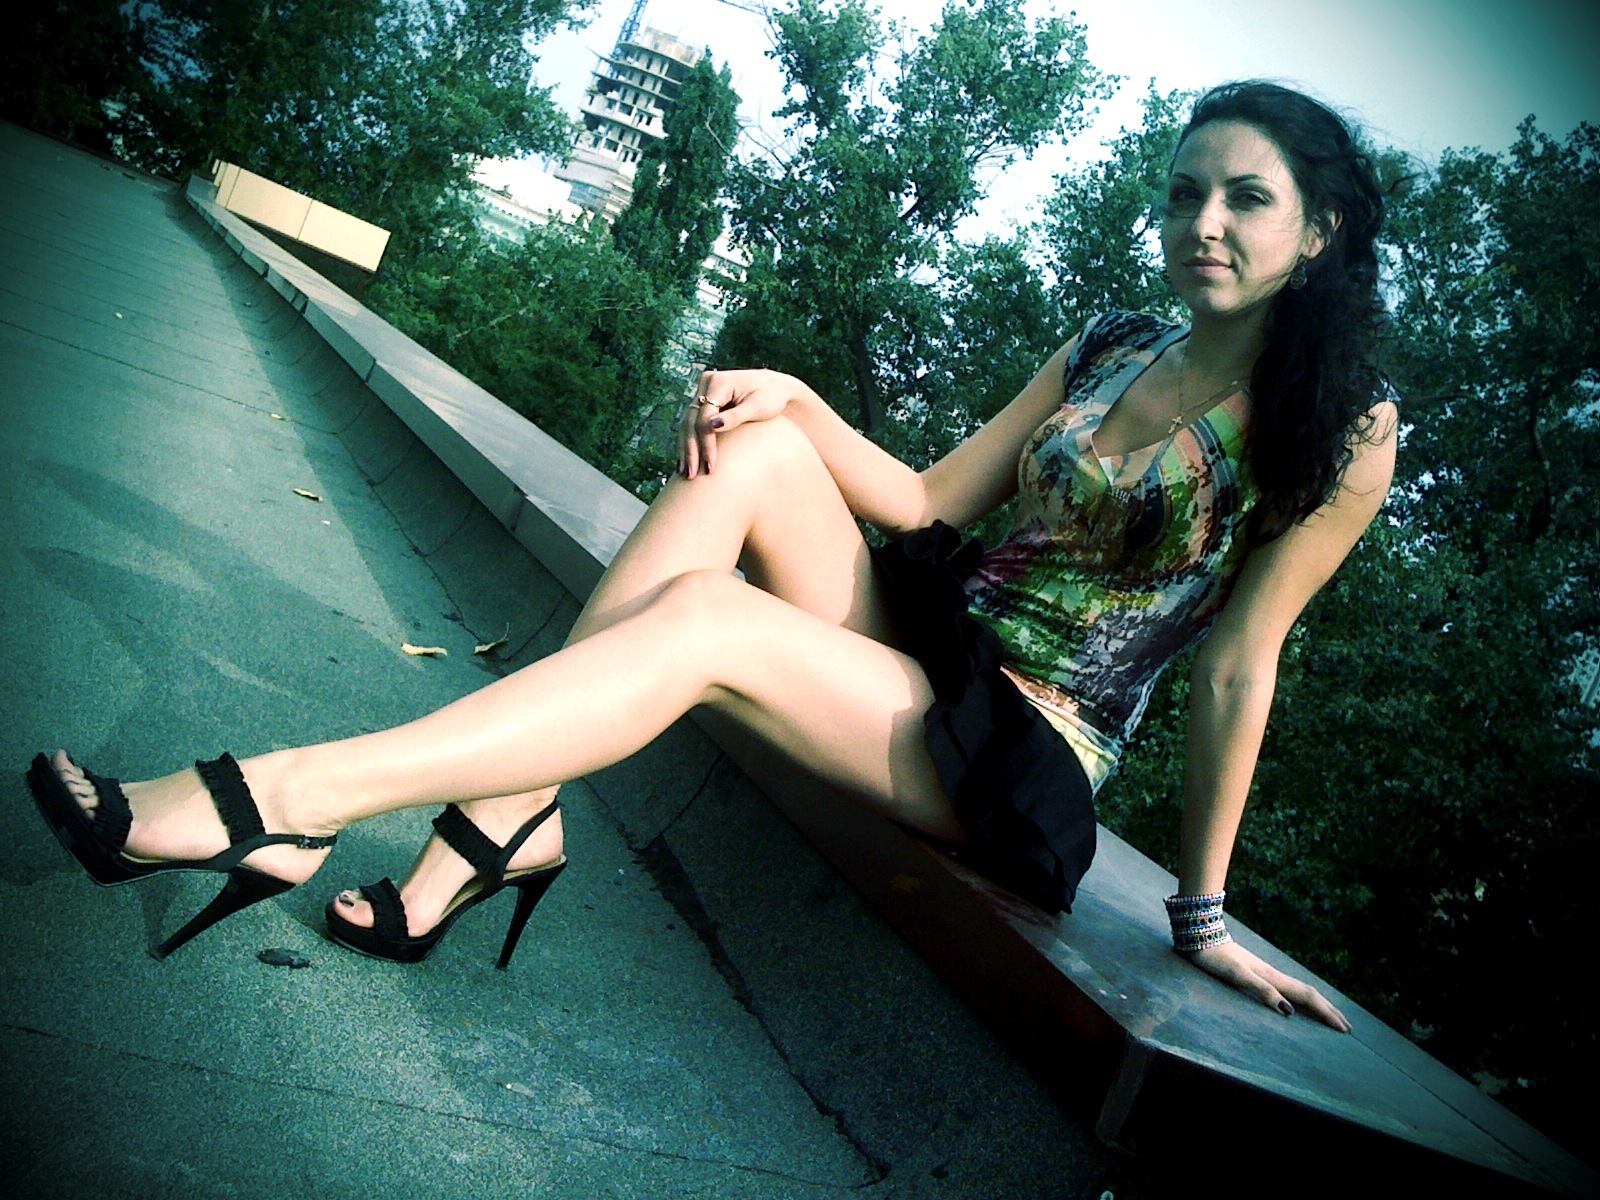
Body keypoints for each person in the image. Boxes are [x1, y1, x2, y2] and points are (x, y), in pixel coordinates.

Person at [27, 81, 1396, 1031]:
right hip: (937, 644)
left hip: (1022, 747)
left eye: (1247, 200)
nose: (1204, 222)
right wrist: (796, 396)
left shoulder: (1339, 428)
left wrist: (1203, 915)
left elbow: (1238, 670)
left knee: (707, 617)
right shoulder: (1114, 341)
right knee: (753, 446)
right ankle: (511, 811)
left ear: (1320, 231)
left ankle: (291, 799)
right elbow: (927, 501)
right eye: (1186, 191)